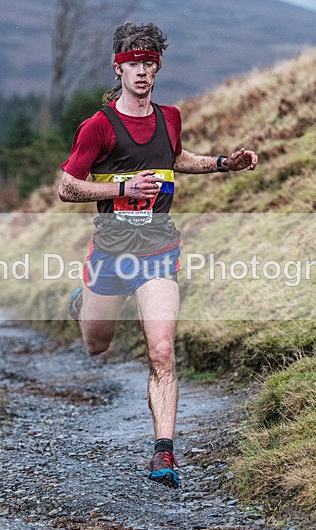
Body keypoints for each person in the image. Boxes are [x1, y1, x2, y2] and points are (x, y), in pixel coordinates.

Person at [58, 22, 258, 489]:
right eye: (133, 65)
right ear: (119, 68)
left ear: (156, 67)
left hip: (158, 249)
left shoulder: (170, 117)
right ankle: (83, 302)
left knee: (162, 351)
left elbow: (177, 157)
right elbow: (67, 187)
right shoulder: (98, 126)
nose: (142, 72)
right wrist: (122, 186)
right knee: (96, 344)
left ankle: (163, 454)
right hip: (110, 250)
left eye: (149, 64)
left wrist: (223, 164)